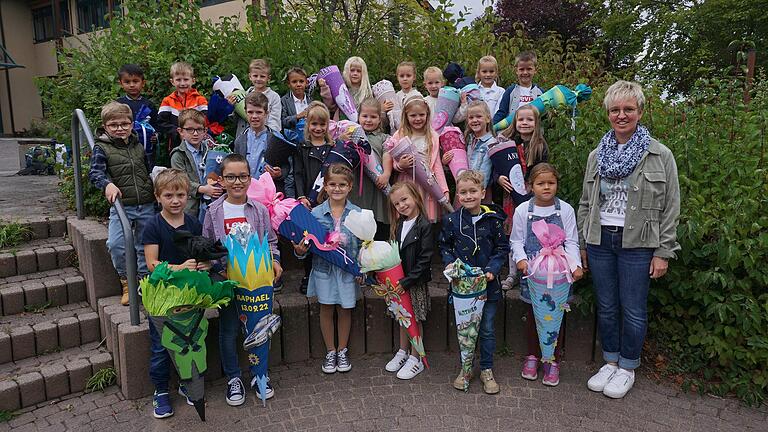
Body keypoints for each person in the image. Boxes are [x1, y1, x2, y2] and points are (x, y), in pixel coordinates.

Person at [578, 80, 680, 399]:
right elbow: (585, 202)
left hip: (638, 244)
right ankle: (610, 361)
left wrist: (663, 251)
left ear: (640, 111)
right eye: (615, 110)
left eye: (628, 109)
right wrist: (583, 243)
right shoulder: (597, 155)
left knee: (633, 309)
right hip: (600, 241)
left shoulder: (659, 155)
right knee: (607, 307)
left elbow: (671, 206)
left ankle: (627, 367)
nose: (621, 115)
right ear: (608, 113)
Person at [202, 153, 283, 405]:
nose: (237, 182)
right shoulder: (213, 211)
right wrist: (216, 268)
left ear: (250, 178)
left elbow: (270, 240)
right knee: (228, 329)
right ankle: (233, 377)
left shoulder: (258, 209)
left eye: (242, 176)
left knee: (260, 328)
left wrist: (276, 260)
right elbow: (206, 245)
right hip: (227, 281)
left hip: (256, 282)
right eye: (230, 177)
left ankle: (259, 373)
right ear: (221, 180)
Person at [142, 168, 212, 418]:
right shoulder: (153, 225)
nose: (175, 200)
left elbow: (201, 254)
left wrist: (205, 264)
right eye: (169, 195)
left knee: (190, 342)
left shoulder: (193, 222)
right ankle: (160, 391)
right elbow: (151, 263)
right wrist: (179, 268)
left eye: (180, 195)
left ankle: (187, 384)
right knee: (162, 346)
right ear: (157, 196)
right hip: (163, 298)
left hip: (189, 297)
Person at [509, 163, 583, 386]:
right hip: (534, 274)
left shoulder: (565, 210)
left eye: (551, 183)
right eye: (541, 184)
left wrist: (575, 265)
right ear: (530, 186)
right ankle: (533, 355)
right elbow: (516, 240)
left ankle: (553, 359)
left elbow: (571, 240)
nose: (547, 187)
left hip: (559, 275)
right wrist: (521, 260)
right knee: (534, 315)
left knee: (557, 315)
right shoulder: (523, 210)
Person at [440, 170, 509, 394]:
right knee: (464, 329)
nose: (468, 196)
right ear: (457, 195)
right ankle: (466, 368)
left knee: (487, 329)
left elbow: (501, 248)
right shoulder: (451, 220)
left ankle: (486, 369)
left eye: (472, 191)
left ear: (482, 192)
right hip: (463, 288)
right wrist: (450, 264)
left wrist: (492, 269)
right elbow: (445, 246)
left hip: (488, 285)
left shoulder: (494, 219)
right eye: (463, 192)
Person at [293, 164, 363, 374]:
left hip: (347, 272)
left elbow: (363, 245)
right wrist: (299, 250)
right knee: (326, 308)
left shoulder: (358, 213)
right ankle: (330, 351)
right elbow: (305, 247)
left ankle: (342, 349)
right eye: (332, 184)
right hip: (323, 271)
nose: (337, 189)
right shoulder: (314, 214)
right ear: (325, 186)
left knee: (345, 309)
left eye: (342, 185)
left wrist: (362, 270)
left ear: (350, 187)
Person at [88, 101, 155, 306]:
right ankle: (126, 282)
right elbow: (95, 173)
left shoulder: (138, 144)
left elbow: (148, 169)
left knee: (145, 246)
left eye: (124, 124)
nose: (120, 128)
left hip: (146, 203)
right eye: (114, 125)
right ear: (105, 126)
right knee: (116, 244)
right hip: (122, 205)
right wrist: (106, 184)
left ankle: (145, 284)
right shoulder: (102, 147)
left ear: (132, 123)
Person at [384, 181, 433, 380]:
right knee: (402, 318)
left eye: (404, 199)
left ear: (415, 197)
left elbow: (425, 259)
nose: (402, 205)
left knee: (415, 319)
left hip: (414, 282)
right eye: (397, 203)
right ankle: (403, 352)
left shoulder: (424, 225)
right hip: (398, 282)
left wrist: (407, 281)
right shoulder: (398, 225)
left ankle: (416, 357)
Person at [498, 104, 549, 290]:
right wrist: (499, 178)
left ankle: (530, 269)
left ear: (536, 123)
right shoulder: (507, 142)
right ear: (515, 122)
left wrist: (532, 186)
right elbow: (498, 166)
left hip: (531, 194)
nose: (525, 123)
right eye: (521, 119)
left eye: (529, 119)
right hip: (511, 195)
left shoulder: (540, 146)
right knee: (513, 232)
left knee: (531, 231)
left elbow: (542, 171)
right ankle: (512, 273)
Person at [384, 96, 449, 223]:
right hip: (407, 182)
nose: (418, 119)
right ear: (406, 116)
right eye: (413, 115)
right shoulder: (400, 134)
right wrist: (400, 165)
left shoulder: (433, 136)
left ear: (427, 115)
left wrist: (444, 189)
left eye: (421, 115)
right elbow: (392, 159)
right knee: (408, 216)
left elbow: (437, 165)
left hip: (428, 185)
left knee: (425, 218)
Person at [293, 102, 335, 293]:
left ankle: (329, 272)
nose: (318, 128)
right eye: (314, 124)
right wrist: (301, 196)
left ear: (327, 126)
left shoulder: (332, 148)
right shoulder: (301, 147)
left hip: (327, 199)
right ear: (307, 125)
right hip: (308, 200)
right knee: (308, 237)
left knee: (328, 235)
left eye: (322, 124)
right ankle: (308, 274)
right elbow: (298, 173)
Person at [233, 92, 292, 195]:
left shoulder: (276, 138)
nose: (254, 116)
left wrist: (279, 173)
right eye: (250, 112)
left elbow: (287, 166)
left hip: (268, 193)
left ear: (266, 113)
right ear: (245, 112)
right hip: (245, 192)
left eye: (259, 112)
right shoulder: (240, 140)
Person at [349, 98, 391, 239]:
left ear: (380, 119)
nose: (368, 120)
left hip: (378, 187)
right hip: (357, 188)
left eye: (373, 117)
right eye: (365, 116)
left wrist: (386, 174)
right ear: (358, 116)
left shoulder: (384, 138)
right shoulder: (352, 135)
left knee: (378, 228)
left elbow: (387, 155)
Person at [170, 109, 223, 219]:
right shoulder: (178, 155)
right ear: (181, 131)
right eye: (190, 129)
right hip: (189, 207)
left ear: (205, 131)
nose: (195, 133)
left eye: (199, 129)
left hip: (210, 204)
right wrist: (202, 189)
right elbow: (181, 182)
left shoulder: (210, 151)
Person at [443, 100, 495, 189]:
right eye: (471, 117)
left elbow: (488, 173)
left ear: (488, 118)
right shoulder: (466, 140)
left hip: (479, 192)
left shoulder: (492, 143)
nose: (474, 120)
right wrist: (445, 162)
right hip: (463, 188)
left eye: (479, 116)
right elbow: (459, 165)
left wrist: (477, 190)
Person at [157, 62, 208, 151]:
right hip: (175, 144)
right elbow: (161, 122)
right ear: (172, 81)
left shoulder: (200, 100)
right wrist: (177, 133)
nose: (182, 83)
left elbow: (205, 120)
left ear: (193, 80)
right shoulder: (167, 101)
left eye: (186, 79)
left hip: (197, 141)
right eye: (178, 80)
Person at [115, 64, 158, 167]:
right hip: (124, 150)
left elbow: (156, 125)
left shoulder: (149, 104)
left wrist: (155, 136)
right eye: (127, 82)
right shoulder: (118, 105)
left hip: (146, 150)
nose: (132, 85)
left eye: (135, 81)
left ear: (143, 83)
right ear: (121, 83)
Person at [233, 59, 282, 138]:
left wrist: (270, 137)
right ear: (250, 77)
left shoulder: (274, 97)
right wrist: (231, 105)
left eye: (262, 76)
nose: (258, 79)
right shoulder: (244, 95)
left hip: (265, 138)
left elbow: (275, 121)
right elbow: (237, 119)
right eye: (255, 76)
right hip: (244, 137)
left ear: (268, 78)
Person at [491, 51, 543, 125]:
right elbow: (502, 112)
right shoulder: (510, 91)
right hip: (512, 132)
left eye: (529, 69)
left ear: (535, 70)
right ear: (516, 70)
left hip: (534, 133)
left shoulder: (540, 93)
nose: (525, 72)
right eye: (521, 69)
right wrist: (491, 127)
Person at [280, 66, 311, 132]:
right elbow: (283, 122)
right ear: (289, 84)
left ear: (306, 83)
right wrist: (298, 116)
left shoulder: (311, 100)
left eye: (301, 81)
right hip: (292, 138)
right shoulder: (284, 101)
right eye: (294, 82)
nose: (298, 84)